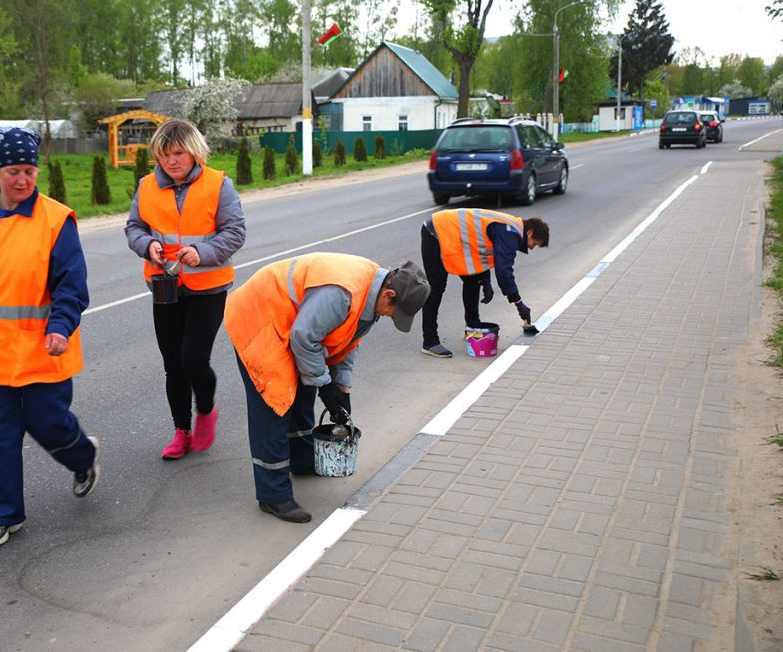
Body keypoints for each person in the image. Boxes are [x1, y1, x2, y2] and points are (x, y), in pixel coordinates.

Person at [0, 125, 99, 548]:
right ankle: (3, 515)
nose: (23, 179)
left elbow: (71, 286)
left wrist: (61, 327)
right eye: (13, 171)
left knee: (50, 426)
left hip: (42, 347)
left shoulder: (56, 220)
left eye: (29, 170)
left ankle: (84, 458)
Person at [225, 253, 430, 523]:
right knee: (275, 405)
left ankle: (302, 461)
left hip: (295, 325)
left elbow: (346, 341)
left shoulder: (371, 291)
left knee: (304, 390)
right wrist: (324, 385)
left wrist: (342, 389)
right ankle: (273, 495)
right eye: (395, 312)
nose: (392, 318)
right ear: (389, 294)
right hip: (261, 318)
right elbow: (304, 337)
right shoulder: (341, 293)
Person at [124, 119, 245, 460]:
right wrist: (147, 245)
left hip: (208, 286)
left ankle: (205, 410)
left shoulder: (218, 184)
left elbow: (234, 232)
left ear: (194, 153)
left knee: (194, 360)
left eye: (178, 153)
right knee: (172, 364)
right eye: (164, 155)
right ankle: (181, 431)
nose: (172, 161)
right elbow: (134, 227)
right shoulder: (147, 186)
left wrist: (202, 253)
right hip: (165, 285)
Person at [420, 208, 549, 357]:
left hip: (454, 235)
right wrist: (518, 302)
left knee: (473, 280)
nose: (532, 247)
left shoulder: (512, 227)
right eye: (535, 243)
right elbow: (504, 270)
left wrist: (485, 279)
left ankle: (473, 327)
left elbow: (481, 248)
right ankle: (429, 341)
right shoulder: (510, 232)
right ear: (530, 233)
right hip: (436, 231)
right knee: (436, 287)